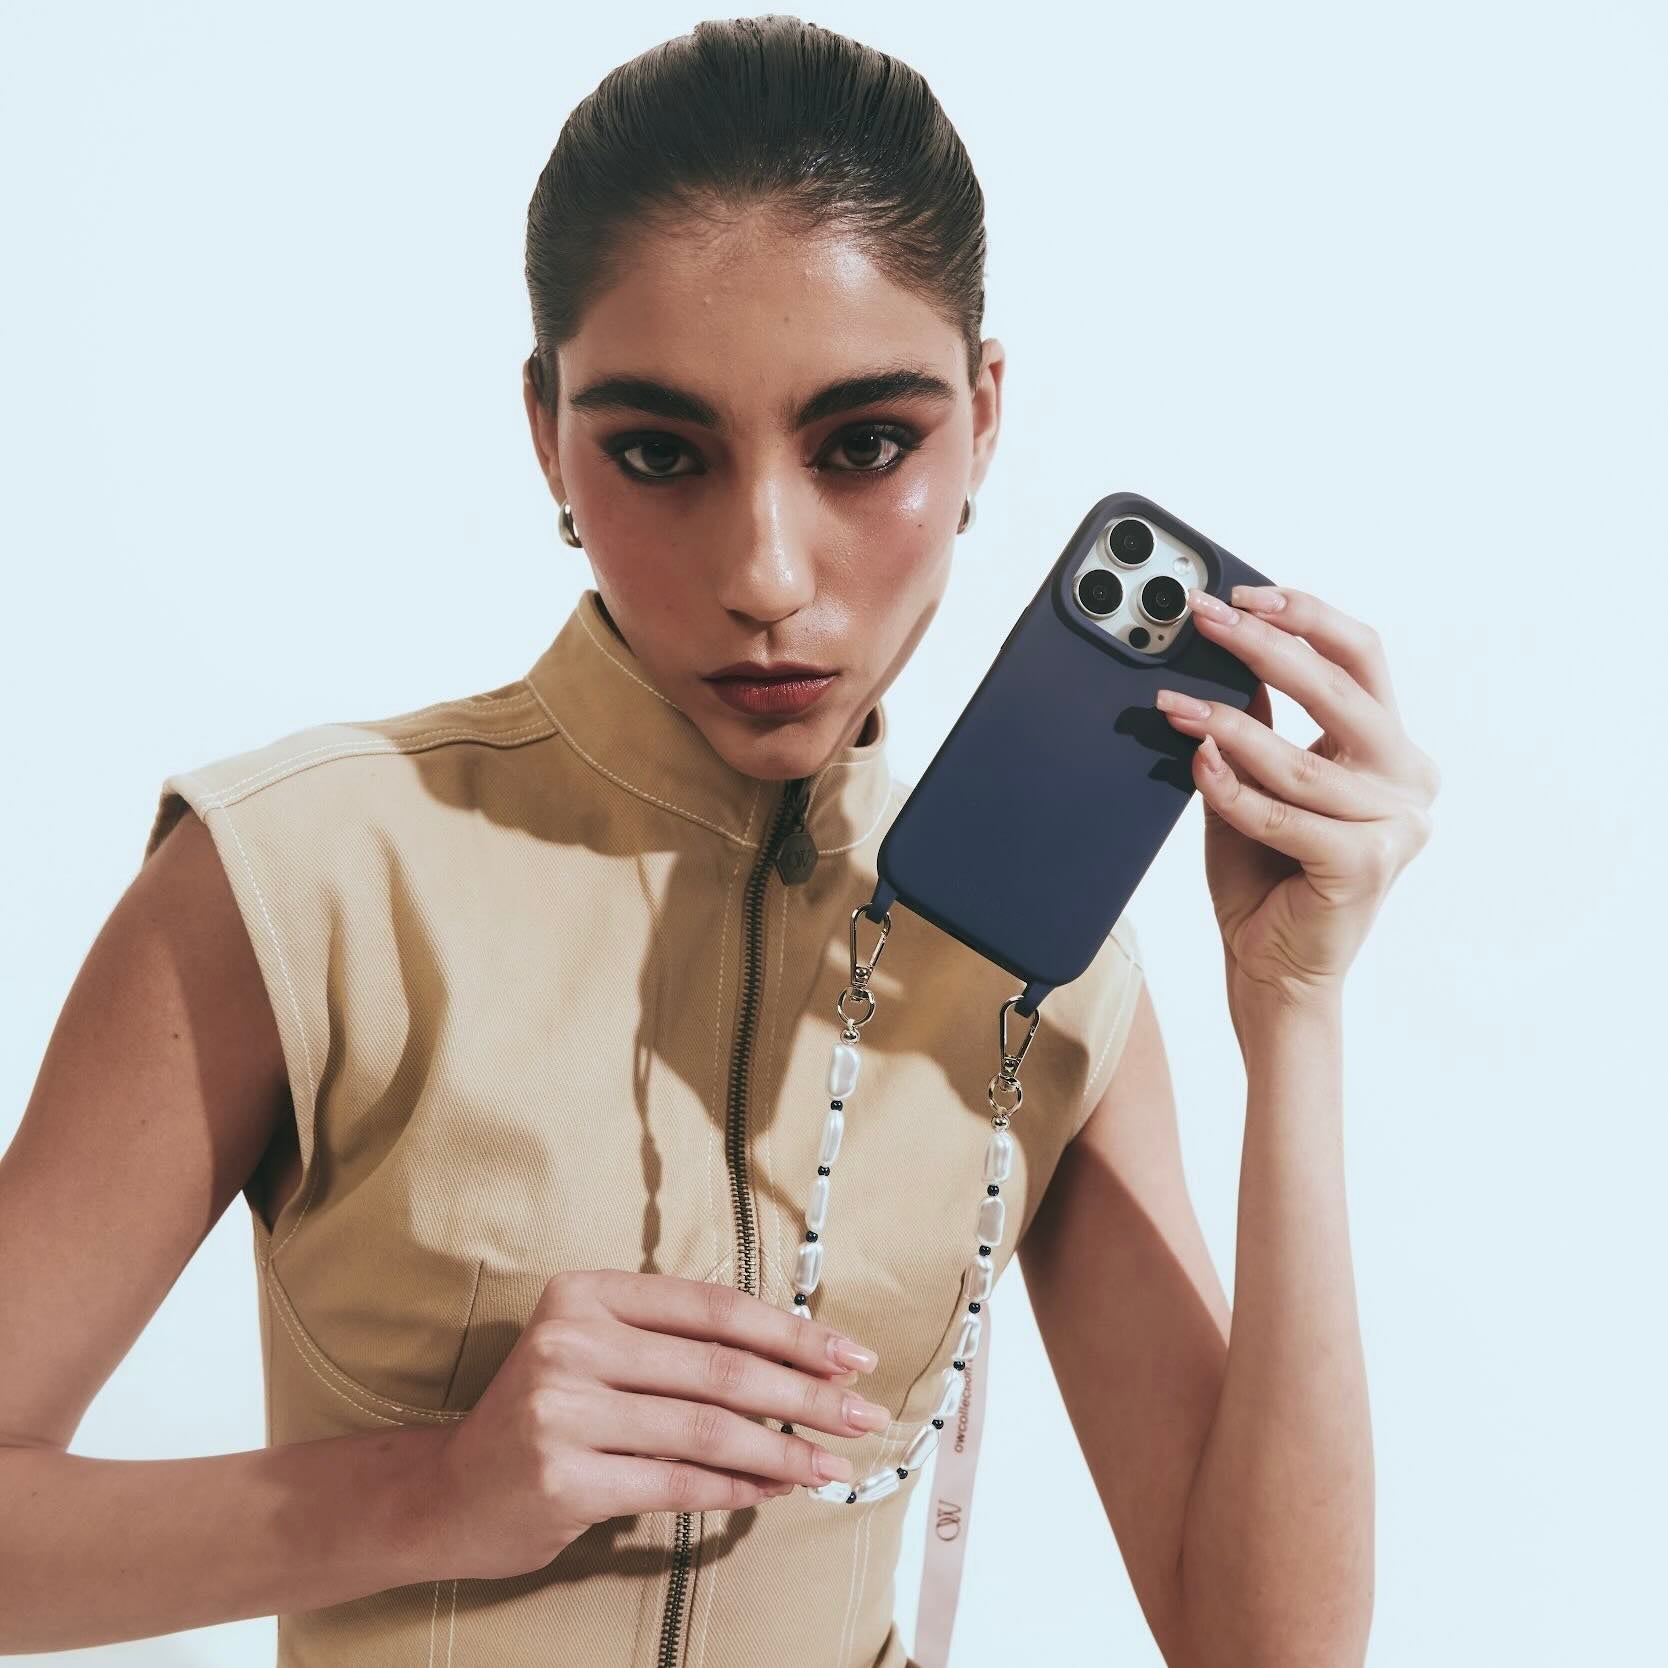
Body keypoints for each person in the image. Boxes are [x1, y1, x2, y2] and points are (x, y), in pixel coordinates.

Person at [0, 14, 1438, 1667]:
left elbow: (1269, 1651)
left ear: (982, 419)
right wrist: (437, 1493)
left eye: (866, 445)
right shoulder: (299, 880)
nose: (765, 572)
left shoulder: (1052, 985)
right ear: (547, 431)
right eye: (660, 454)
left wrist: (1296, 1012)